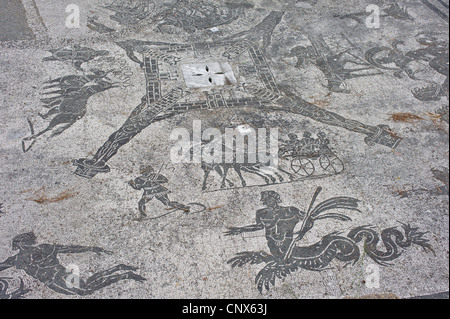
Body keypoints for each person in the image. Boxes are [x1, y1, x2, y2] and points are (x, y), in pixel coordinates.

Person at [0, 232, 145, 296]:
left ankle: (124, 274)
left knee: (85, 290)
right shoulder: (16, 259)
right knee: (87, 286)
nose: (20, 248)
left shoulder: (44, 248)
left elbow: (69, 248)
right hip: (52, 281)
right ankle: (120, 269)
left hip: (60, 276)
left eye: (20, 245)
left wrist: (90, 248)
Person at [225, 191, 305, 259]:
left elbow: (308, 218)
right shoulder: (261, 213)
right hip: (272, 242)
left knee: (289, 258)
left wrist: (302, 232)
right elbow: (259, 226)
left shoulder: (290, 210)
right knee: (278, 259)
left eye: (269, 199)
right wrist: (242, 229)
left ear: (275, 199)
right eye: (265, 200)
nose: (267, 202)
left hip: (287, 240)